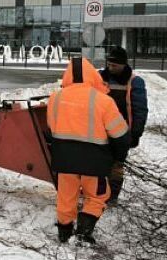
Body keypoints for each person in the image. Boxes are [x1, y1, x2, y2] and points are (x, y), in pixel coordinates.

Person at [47, 57, 131, 244]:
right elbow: (120, 134)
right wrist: (118, 157)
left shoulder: (55, 98)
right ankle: (84, 233)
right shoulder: (103, 101)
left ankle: (64, 233)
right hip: (94, 161)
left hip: (64, 158)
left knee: (66, 197)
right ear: (93, 75)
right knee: (97, 196)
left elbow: (52, 127)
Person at [99, 47, 148, 203]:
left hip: (121, 133)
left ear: (123, 64)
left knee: (116, 166)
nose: (111, 68)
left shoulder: (135, 82)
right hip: (99, 130)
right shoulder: (100, 78)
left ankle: (112, 197)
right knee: (98, 163)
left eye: (115, 65)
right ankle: (98, 194)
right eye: (109, 64)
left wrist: (135, 134)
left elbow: (140, 110)